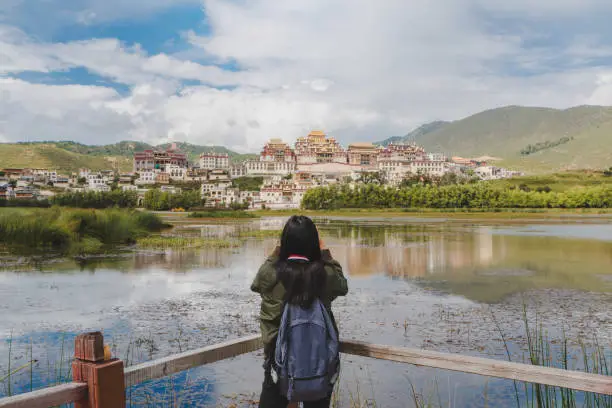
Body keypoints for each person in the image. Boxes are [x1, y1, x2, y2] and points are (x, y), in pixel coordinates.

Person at [251, 215, 348, 408]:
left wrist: (277, 252)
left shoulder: (270, 273)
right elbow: (342, 286)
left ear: (284, 242)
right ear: (314, 243)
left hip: (278, 361)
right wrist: (325, 253)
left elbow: (257, 285)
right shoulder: (324, 275)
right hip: (319, 360)